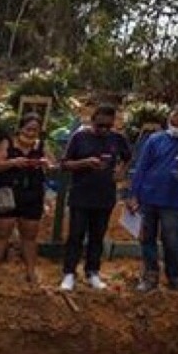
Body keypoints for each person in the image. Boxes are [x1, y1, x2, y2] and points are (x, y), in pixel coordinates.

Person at [128, 104, 178, 292]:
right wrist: (133, 194)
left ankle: (173, 277)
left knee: (171, 238)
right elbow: (141, 168)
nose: (176, 116)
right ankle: (150, 275)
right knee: (147, 238)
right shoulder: (155, 139)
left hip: (172, 199)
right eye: (174, 113)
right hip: (148, 196)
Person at [59, 105, 133, 291]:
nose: (104, 130)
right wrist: (85, 162)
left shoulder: (117, 139)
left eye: (108, 126)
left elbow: (128, 157)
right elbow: (65, 164)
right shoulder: (79, 137)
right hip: (81, 194)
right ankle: (69, 272)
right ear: (93, 121)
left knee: (97, 236)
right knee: (76, 235)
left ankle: (92, 271)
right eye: (100, 125)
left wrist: (121, 171)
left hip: (105, 195)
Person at [0, 113, 51, 284]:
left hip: (32, 194)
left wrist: (45, 164)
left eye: (35, 130)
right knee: (1, 232)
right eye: (28, 129)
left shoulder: (41, 145)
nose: (31, 133)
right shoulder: (7, 143)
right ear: (20, 128)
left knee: (30, 235)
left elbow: (52, 165)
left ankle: (30, 271)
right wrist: (13, 162)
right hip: (8, 193)